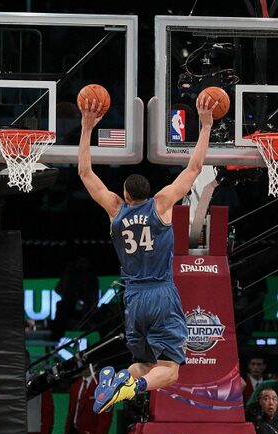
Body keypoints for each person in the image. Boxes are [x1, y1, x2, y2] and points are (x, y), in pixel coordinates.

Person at [76, 93, 215, 413]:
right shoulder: (162, 205)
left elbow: (85, 174)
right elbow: (194, 169)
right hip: (162, 293)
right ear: (148, 193)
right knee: (171, 370)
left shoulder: (115, 210)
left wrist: (86, 129)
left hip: (134, 299)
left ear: (124, 194)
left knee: (144, 362)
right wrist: (205, 126)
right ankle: (132, 385)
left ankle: (121, 382)